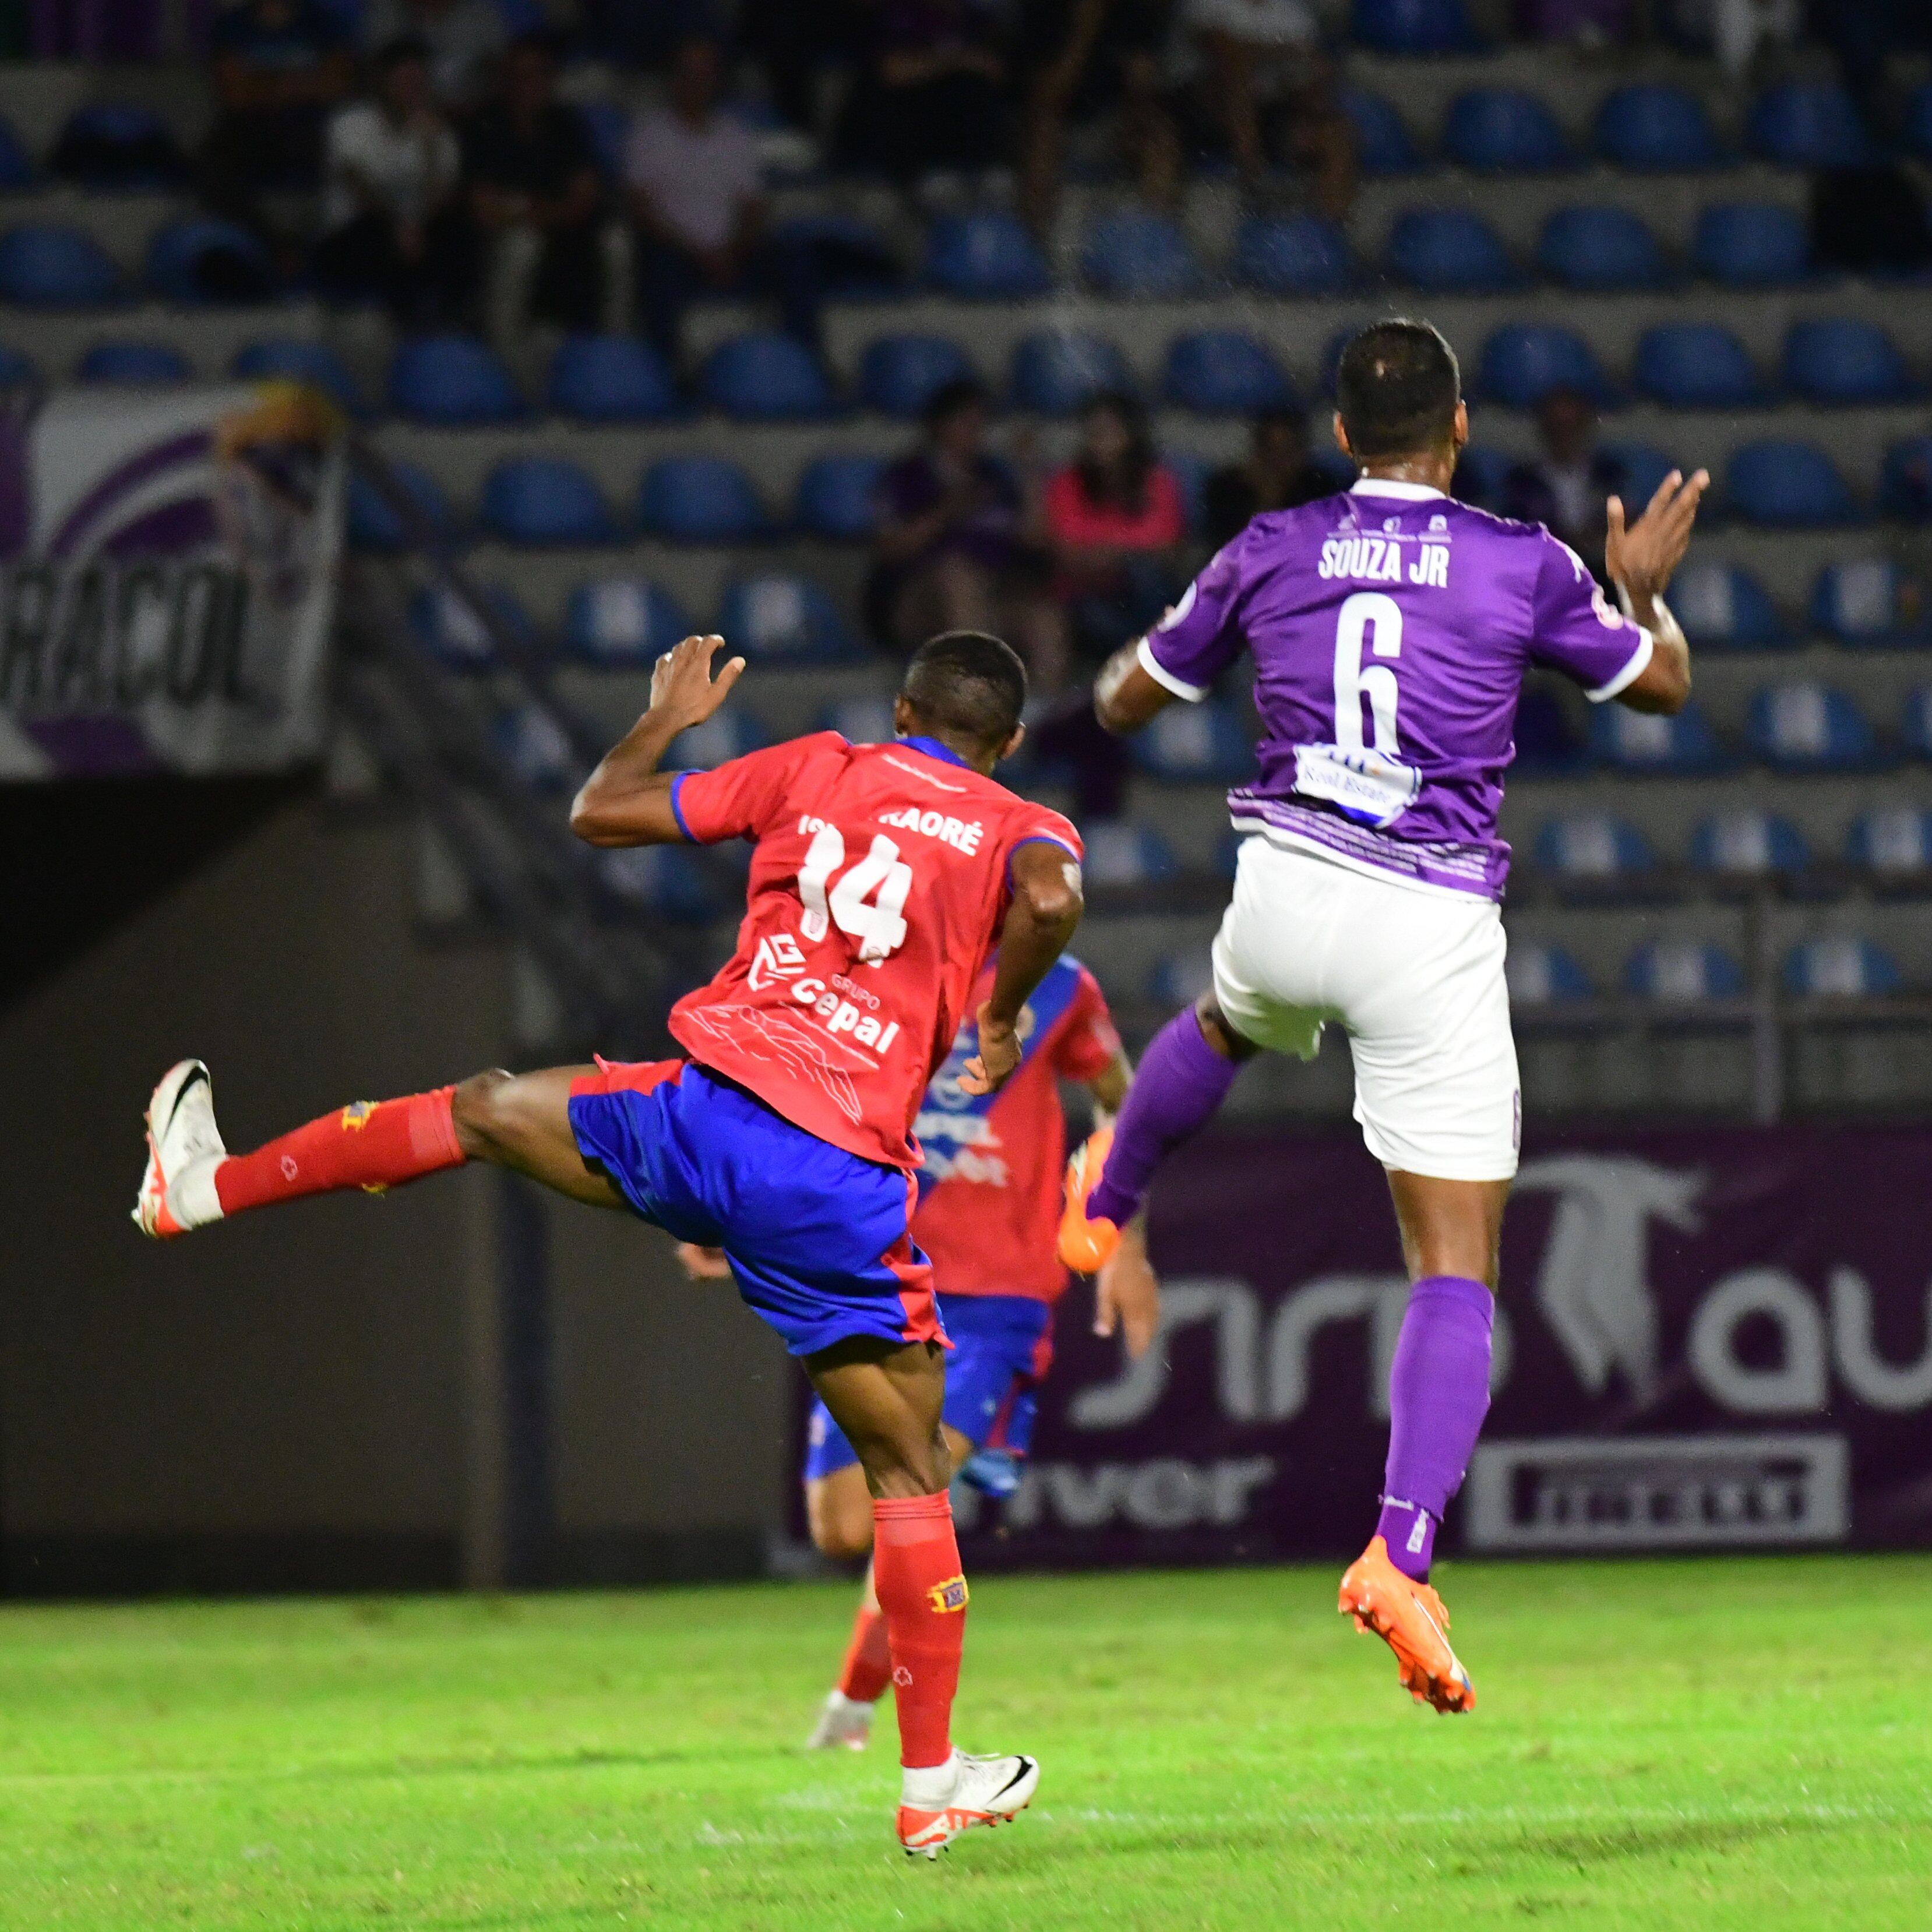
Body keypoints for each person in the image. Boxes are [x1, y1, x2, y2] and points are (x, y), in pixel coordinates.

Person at [133, 628, 1087, 1858]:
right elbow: (1054, 898)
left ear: (898, 707)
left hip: (700, 1117)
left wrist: (662, 720)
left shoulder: (817, 765)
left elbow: (600, 811)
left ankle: (205, 1185)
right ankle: (925, 1779)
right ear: (1004, 741)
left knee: (482, 1106)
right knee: (907, 1478)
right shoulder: (1022, 821)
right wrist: (1001, 1012)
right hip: (831, 1174)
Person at [1058, 319, 1707, 1713]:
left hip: (1285, 884)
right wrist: (1641, 593)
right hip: (1423, 919)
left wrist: (1178, 628)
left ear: (1340, 434)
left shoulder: (1270, 545)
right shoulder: (1520, 559)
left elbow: (1118, 701)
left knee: (1225, 1022)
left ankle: (1104, 1194)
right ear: (1457, 426)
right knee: (1452, 1264)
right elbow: (1658, 684)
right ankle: (1397, 1551)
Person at [794, 954, 1157, 1751]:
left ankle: (865, 1718)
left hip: (998, 1294)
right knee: (844, 1526)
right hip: (872, 1273)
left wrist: (1124, 1240)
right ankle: (858, 1707)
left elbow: (1122, 1103)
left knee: (911, 1488)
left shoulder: (1057, 984)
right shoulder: (867, 966)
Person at [625, 34, 827, 359]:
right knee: (658, 271)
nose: (698, 82)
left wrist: (731, 250)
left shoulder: (733, 133)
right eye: (689, 73)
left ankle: (807, 359)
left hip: (734, 251)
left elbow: (753, 205)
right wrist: (698, 253)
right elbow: (641, 210)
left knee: (796, 259)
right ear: (674, 78)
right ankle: (666, 370)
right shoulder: (650, 133)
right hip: (677, 252)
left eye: (706, 73)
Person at [868, 378, 1067, 690]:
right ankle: (980, 700)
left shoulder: (995, 478)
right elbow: (891, 547)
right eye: (965, 422)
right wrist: (948, 511)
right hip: (920, 599)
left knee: (1045, 618)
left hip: (993, 595)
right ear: (940, 426)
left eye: (980, 423)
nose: (975, 431)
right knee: (958, 577)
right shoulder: (908, 477)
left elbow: (1034, 540)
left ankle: (1039, 718)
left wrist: (1029, 474)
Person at [313, 36, 477, 326]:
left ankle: (450, 326)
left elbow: (440, 198)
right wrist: (399, 227)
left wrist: (430, 151)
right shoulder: (351, 122)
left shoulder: (437, 132)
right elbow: (359, 184)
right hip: (357, 234)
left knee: (457, 230)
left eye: (417, 82)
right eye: (401, 82)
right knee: (378, 232)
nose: (409, 91)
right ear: (382, 82)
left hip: (413, 235)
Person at [461, 30, 607, 345]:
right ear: (506, 79)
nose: (529, 84)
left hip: (564, 242)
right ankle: (502, 343)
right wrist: (539, 213)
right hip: (502, 247)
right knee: (523, 245)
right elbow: (483, 208)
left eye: (538, 75)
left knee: (613, 242)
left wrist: (530, 210)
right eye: (520, 75)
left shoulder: (566, 126)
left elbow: (584, 199)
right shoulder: (483, 126)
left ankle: (609, 350)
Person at [201, 0, 356, 263]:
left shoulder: (324, 23)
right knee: (215, 158)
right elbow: (235, 95)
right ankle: (266, 250)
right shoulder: (232, 26)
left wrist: (263, 84)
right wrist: (301, 83)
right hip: (250, 128)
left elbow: (337, 86)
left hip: (311, 127)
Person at [1169, 0, 1355, 217]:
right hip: (1201, 114)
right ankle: (1254, 180)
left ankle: (1325, 235)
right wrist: (1283, 52)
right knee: (1235, 75)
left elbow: (1311, 67)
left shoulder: (1293, 12)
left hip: (1269, 111)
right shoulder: (1207, 4)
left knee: (1337, 133)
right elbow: (1222, 50)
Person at [1042, 390, 1188, 664]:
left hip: (1147, 596)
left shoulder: (1158, 481)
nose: (1101, 440)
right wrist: (1126, 553)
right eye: (1094, 432)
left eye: (1110, 431)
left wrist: (1111, 554)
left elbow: (1168, 551)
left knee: (1152, 581)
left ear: (1131, 435)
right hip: (1089, 599)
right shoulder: (1067, 483)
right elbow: (1068, 558)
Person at [1014, 0, 1180, 236]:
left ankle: (1153, 247)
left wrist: (1137, 113)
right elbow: (1045, 99)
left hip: (1107, 124)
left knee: (1159, 137)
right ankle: (1037, 245)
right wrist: (1084, 30)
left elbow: (1142, 86)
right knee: (1042, 135)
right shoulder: (1042, 11)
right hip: (1054, 124)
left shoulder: (1131, 11)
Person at [838, 0, 1009, 185]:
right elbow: (893, 70)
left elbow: (994, 68)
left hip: (952, 147)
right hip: (894, 143)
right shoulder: (899, 14)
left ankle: (977, 172)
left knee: (972, 90)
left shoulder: (976, 20)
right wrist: (959, 61)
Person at [1501, 387, 1628, 588]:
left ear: (1586, 426)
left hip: (1603, 578)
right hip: (1543, 579)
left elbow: (1625, 523)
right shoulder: (1523, 482)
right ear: (1543, 430)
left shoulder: (1609, 475)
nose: (1564, 435)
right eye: (1556, 427)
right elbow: (1517, 535)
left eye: (1572, 426)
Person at [1201, 403, 1334, 551]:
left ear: (1301, 453)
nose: (1278, 461)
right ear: (1257, 451)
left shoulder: (1320, 489)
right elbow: (1227, 554)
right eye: (1271, 451)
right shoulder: (1226, 490)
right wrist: (1265, 499)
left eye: (1286, 452)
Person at [362, 0, 508, 110]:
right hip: (400, 118)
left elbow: (500, 71)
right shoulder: (386, 11)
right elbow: (374, 71)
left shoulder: (480, 13)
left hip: (473, 117)